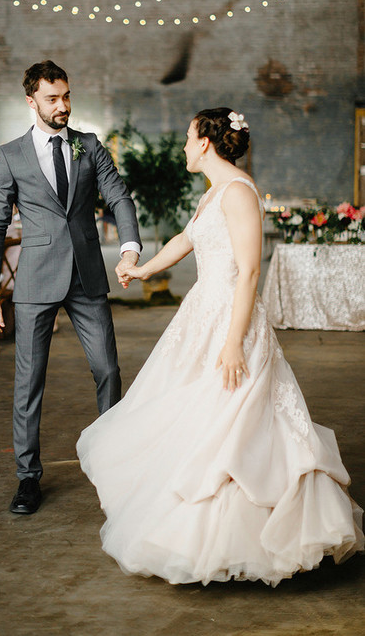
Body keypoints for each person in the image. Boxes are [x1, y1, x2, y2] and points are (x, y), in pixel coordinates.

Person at [77, 107, 364, 586]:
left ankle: (248, 539)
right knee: (192, 416)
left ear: (206, 143)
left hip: (232, 320)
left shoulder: (239, 193)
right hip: (201, 314)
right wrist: (143, 269)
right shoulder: (213, 194)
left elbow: (250, 271)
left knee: (236, 422)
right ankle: (187, 530)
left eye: (189, 138)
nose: (185, 146)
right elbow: (187, 239)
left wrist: (233, 343)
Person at [0, 60, 141, 515]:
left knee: (108, 370)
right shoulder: (10, 155)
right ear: (31, 101)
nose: (62, 106)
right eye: (52, 98)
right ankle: (28, 478)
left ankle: (113, 465)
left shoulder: (89, 146)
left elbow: (119, 195)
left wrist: (129, 246)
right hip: (35, 280)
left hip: (88, 275)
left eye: (66, 96)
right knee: (28, 383)